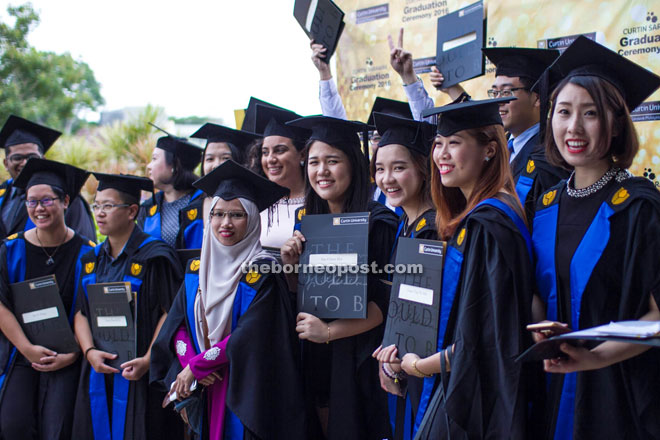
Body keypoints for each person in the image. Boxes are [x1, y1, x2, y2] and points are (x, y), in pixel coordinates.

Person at [529, 36, 660, 440]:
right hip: (548, 386)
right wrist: (539, 327)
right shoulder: (546, 203)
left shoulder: (638, 207)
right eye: (564, 111)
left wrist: (592, 359)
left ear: (617, 121)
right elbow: (538, 291)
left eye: (591, 113)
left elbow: (657, 318)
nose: (574, 127)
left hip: (615, 393)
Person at [404, 99, 535, 439]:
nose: (441, 155)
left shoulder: (488, 224)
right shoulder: (481, 217)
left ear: (489, 150)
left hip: (477, 399)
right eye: (438, 145)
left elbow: (481, 340)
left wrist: (418, 366)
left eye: (455, 143)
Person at [150, 160, 306, 440]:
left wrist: (198, 366)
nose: (225, 223)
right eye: (218, 214)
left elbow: (249, 336)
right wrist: (191, 363)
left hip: (243, 385)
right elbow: (177, 325)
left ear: (253, 220)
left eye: (237, 215)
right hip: (205, 382)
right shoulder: (196, 269)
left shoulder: (263, 272)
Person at [282, 115, 398, 440]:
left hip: (358, 356)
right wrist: (291, 265)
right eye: (314, 162)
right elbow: (303, 293)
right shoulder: (306, 220)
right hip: (314, 352)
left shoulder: (379, 223)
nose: (322, 171)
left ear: (354, 164)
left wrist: (329, 331)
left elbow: (384, 306)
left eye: (333, 161)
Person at [72, 172, 184, 440]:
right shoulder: (91, 259)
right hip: (100, 369)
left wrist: (148, 359)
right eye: (96, 206)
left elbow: (171, 312)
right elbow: (80, 312)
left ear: (132, 210)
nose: (99, 213)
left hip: (143, 372)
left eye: (108, 206)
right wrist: (89, 352)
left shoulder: (155, 256)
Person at [0, 158, 94, 439]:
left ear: (65, 200)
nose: (38, 209)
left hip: (69, 356)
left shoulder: (89, 253)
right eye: (31, 202)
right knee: (12, 424)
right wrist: (28, 348)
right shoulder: (11, 248)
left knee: (59, 427)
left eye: (46, 200)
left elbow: (87, 310)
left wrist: (74, 352)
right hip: (21, 353)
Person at [368, 112, 437, 440]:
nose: (387, 179)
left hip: (426, 372)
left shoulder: (435, 230)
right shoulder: (404, 226)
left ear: (423, 169)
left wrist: (398, 363)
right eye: (380, 169)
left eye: (399, 168)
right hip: (403, 367)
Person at [0, 115, 96, 240]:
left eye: (31, 157)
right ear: (6, 163)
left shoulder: (66, 198)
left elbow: (83, 247)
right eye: (17, 158)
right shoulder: (2, 194)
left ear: (43, 159)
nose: (24, 163)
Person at [253, 104, 310, 249]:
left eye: (280, 151)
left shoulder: (318, 201)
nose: (270, 159)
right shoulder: (255, 203)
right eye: (265, 152)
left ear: (302, 154)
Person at [138, 125, 204, 249]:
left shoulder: (203, 201)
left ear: (174, 165)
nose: (149, 166)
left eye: (154, 159)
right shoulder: (148, 206)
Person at [190, 122, 261, 221]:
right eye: (210, 159)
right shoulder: (191, 209)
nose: (216, 165)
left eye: (225, 158)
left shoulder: (256, 206)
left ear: (239, 161)